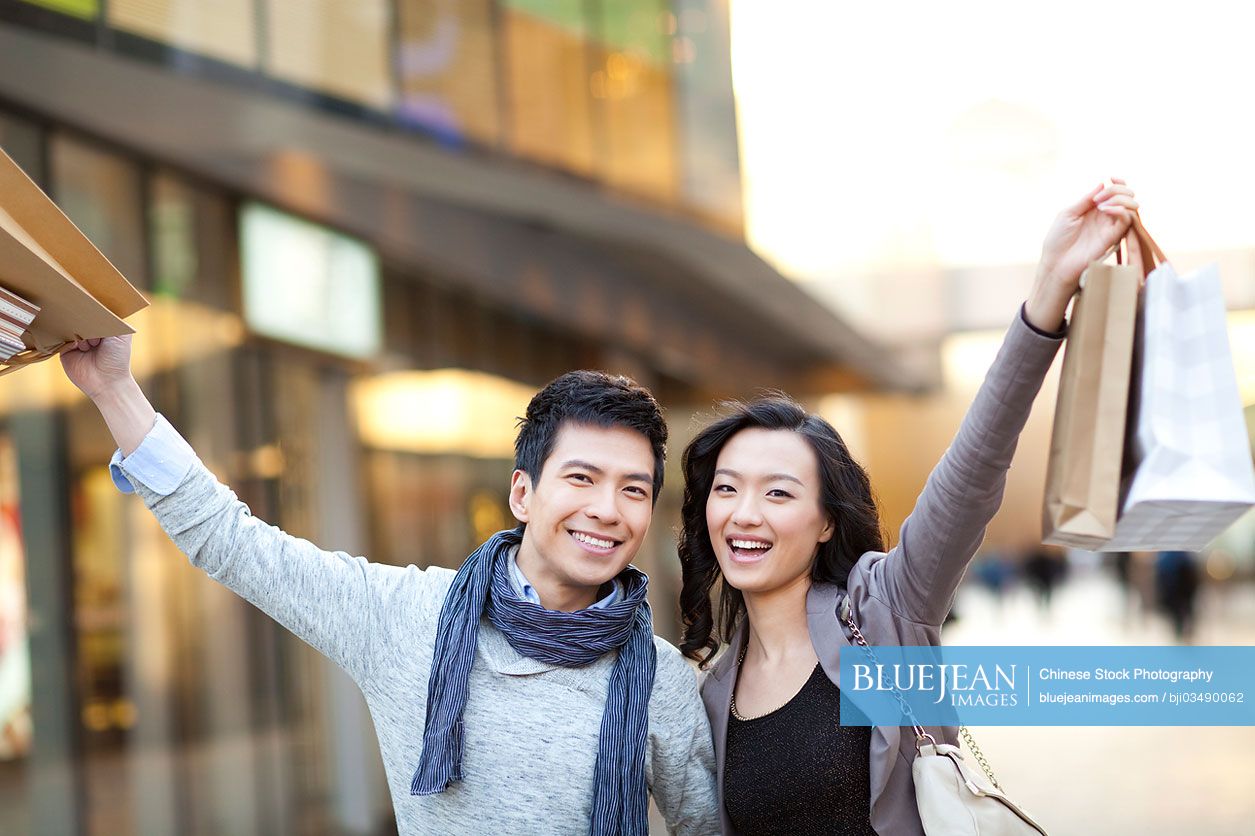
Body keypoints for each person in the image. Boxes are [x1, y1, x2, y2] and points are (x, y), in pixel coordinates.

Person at [57, 344, 719, 834]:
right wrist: (115, 388)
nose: (608, 508)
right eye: (581, 478)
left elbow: (705, 827)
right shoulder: (406, 617)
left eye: (633, 489)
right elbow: (231, 542)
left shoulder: (659, 677)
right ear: (523, 492)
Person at [676, 181, 1141, 835]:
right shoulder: (711, 691)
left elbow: (970, 475)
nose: (743, 513)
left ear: (826, 521)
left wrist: (1046, 295)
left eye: (777, 492)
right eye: (726, 489)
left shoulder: (881, 613)